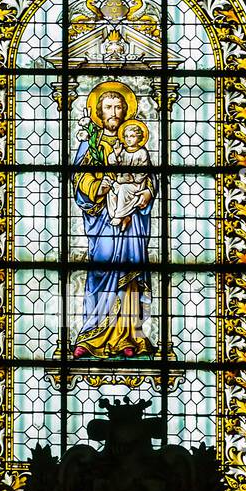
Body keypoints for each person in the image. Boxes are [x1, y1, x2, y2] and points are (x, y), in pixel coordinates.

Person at [69, 83, 157, 359]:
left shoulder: (133, 141)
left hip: (132, 220)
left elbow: (149, 176)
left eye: (119, 106)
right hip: (102, 220)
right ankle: (92, 333)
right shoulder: (91, 143)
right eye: (108, 106)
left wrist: (147, 192)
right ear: (98, 110)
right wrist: (98, 187)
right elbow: (78, 178)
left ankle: (129, 336)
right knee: (102, 269)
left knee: (129, 274)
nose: (114, 112)